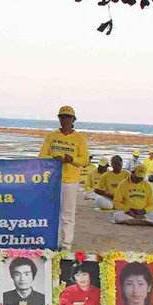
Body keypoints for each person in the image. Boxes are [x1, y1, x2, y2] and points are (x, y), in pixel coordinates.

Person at [39, 105, 89, 249]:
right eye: (62, 117)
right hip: (52, 180)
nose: (65, 120)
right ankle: (51, 241)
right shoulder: (52, 137)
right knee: (50, 211)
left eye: (68, 117)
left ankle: (66, 244)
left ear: (73, 119)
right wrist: (54, 158)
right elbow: (42, 156)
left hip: (70, 180)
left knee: (67, 214)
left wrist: (71, 159)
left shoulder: (79, 139)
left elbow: (85, 160)